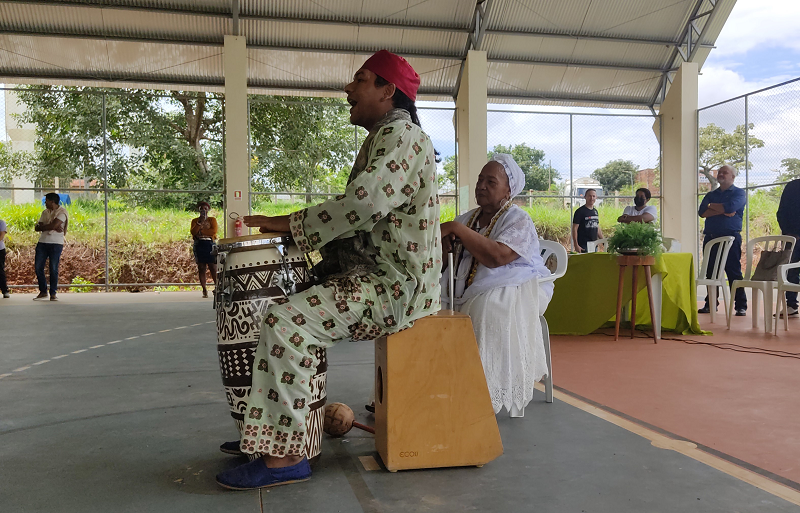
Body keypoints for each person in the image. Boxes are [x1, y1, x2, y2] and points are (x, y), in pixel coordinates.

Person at [215, 49, 441, 490]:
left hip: (394, 288)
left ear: (388, 89)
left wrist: (291, 224)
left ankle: (285, 458)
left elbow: (364, 204)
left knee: (285, 322)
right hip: (376, 277)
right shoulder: (385, 136)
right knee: (289, 310)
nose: (348, 88)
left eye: (360, 79)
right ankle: (277, 433)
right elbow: (369, 221)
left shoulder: (405, 137)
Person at [440, 155, 554, 415]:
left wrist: (456, 229)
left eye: (491, 181)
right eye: (480, 179)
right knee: (428, 305)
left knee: (490, 307)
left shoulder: (518, 219)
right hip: (467, 288)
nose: (481, 186)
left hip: (518, 286)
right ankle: (439, 386)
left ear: (508, 191)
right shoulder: (468, 217)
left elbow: (497, 257)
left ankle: (482, 394)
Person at [698, 165, 747, 316]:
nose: (721, 174)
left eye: (725, 172)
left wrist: (711, 208)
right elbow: (701, 212)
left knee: (733, 271)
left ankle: (740, 306)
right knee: (711, 272)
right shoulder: (711, 194)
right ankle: (711, 304)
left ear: (733, 176)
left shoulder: (739, 193)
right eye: (719, 172)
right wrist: (722, 209)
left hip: (730, 238)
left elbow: (732, 206)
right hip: (711, 238)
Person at [33, 192, 68, 301]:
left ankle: (53, 293)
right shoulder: (45, 212)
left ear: (52, 202)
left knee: (53, 268)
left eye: (46, 200)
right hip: (42, 242)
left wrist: (46, 226)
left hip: (56, 243)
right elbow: (38, 227)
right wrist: (51, 227)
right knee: (38, 267)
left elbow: (52, 225)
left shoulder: (62, 212)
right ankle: (43, 291)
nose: (45, 202)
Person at [776, 177, 800, 317]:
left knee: (790, 271)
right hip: (792, 238)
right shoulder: (792, 186)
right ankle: (791, 305)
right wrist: (789, 233)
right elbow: (781, 212)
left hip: (792, 237)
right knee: (790, 272)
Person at [190, 201, 218, 298]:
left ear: (208, 210)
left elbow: (213, 231)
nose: (203, 210)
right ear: (199, 210)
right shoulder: (195, 221)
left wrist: (200, 232)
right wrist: (199, 222)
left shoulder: (212, 220)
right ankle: (204, 289)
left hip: (210, 244)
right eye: (201, 209)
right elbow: (193, 232)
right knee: (201, 268)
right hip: (199, 245)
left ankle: (217, 287)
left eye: (205, 209)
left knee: (213, 267)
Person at [0, 216, 8, 298]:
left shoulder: (1, 223)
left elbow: (1, 236)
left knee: (0, 270)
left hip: (0, 250)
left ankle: (5, 290)